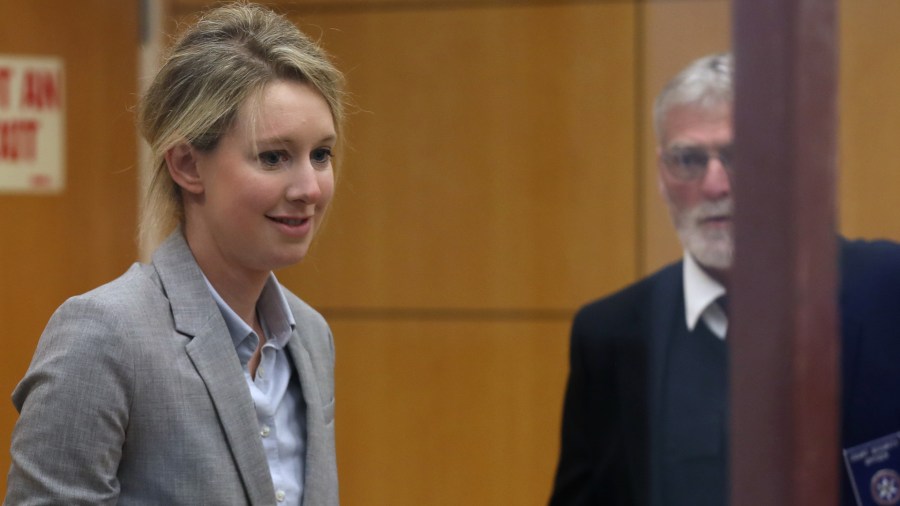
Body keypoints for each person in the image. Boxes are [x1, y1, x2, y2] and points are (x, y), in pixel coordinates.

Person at [5, 3, 345, 505]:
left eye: (321, 154)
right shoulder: (104, 336)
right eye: (274, 157)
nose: (309, 187)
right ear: (187, 164)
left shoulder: (312, 336)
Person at [548, 52, 900, 506]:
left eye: (739, 155)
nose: (715, 185)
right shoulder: (613, 335)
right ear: (661, 174)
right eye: (689, 160)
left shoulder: (886, 292)